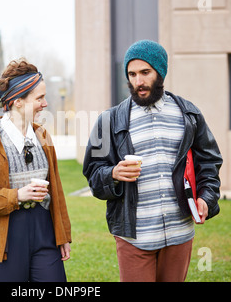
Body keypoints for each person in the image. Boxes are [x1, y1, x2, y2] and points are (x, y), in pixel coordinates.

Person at [83, 40, 222, 282]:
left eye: (145, 72)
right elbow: (94, 174)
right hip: (135, 238)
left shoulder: (189, 114)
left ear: (160, 72)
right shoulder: (108, 121)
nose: (138, 81)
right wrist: (113, 174)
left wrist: (206, 198)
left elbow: (209, 162)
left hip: (180, 233)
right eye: (132, 74)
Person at [0, 59, 71, 282]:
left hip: (44, 231)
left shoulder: (43, 136)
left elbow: (57, 190)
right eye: (39, 98)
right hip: (5, 236)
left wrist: (63, 235)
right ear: (18, 101)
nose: (45, 103)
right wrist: (17, 195)